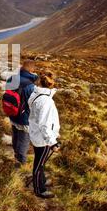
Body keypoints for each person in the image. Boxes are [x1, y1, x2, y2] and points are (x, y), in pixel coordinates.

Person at [28, 71, 60, 199]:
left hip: (37, 135)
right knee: (39, 164)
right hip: (43, 139)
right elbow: (45, 124)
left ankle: (41, 181)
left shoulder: (36, 95)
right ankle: (39, 190)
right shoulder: (46, 101)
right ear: (51, 85)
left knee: (39, 161)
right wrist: (52, 142)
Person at [6, 60, 38, 167]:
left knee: (15, 135)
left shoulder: (12, 78)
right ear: (31, 70)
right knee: (24, 140)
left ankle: (16, 155)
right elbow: (33, 103)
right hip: (24, 118)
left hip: (12, 112)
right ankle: (21, 163)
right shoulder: (30, 86)